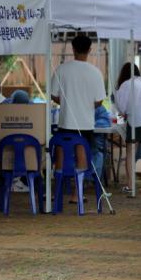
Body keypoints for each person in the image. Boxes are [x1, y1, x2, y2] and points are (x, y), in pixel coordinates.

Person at [51, 34, 106, 203]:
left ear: (73, 49)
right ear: (89, 50)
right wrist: (85, 105)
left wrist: (68, 103)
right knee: (81, 156)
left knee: (60, 155)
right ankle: (77, 194)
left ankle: (57, 192)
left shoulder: (61, 69)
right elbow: (99, 101)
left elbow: (54, 95)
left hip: (65, 122)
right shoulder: (96, 72)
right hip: (85, 124)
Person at [114, 62, 141, 193]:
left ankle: (131, 186)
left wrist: (120, 117)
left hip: (136, 120)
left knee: (131, 152)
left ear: (124, 74)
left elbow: (122, 108)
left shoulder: (125, 85)